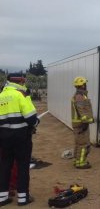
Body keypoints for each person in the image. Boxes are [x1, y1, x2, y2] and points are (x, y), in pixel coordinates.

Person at [0, 75, 39, 206]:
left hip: (4, 138)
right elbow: (31, 118)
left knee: (5, 166)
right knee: (22, 166)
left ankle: (2, 197)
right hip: (21, 137)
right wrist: (36, 122)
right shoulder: (19, 95)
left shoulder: (0, 96)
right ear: (21, 82)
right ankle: (23, 198)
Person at [71, 77, 94, 169]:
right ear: (82, 85)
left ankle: (77, 160)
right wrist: (85, 122)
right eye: (85, 84)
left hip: (79, 124)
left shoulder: (80, 95)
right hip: (81, 124)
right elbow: (82, 111)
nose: (86, 85)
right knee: (83, 144)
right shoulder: (80, 96)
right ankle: (81, 163)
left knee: (79, 144)